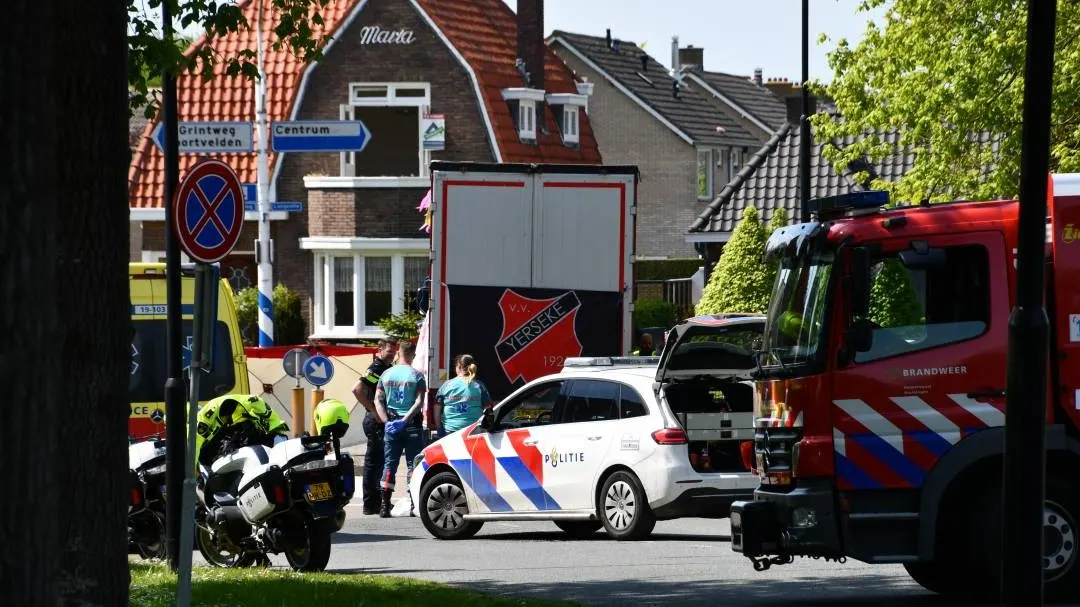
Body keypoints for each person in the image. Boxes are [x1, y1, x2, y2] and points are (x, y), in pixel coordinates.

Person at [374, 341, 426, 518]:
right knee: (413, 464)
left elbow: (377, 400)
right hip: (411, 425)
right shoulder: (417, 376)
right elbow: (419, 402)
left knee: (390, 464)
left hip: (391, 425)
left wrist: (386, 421)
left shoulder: (386, 374)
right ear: (412, 355)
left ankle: (384, 505)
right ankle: (413, 504)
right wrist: (405, 420)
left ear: (398, 353)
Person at [351, 337, 398, 515]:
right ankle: (370, 504)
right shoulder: (377, 367)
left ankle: (376, 502)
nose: (392, 354)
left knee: (380, 463)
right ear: (379, 350)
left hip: (379, 420)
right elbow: (357, 389)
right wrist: (373, 410)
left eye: (394, 351)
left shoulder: (387, 368)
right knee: (373, 463)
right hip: (374, 421)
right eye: (389, 351)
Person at [194, 393, 290, 469]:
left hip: (261, 435)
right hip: (242, 433)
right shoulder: (207, 416)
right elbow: (196, 443)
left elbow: (274, 420)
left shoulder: (255, 403)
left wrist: (278, 437)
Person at [433, 354, 493, 435]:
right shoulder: (479, 385)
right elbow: (488, 408)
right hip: (474, 431)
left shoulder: (446, 385)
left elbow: (437, 408)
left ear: (459, 366)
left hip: (450, 431)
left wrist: (439, 428)